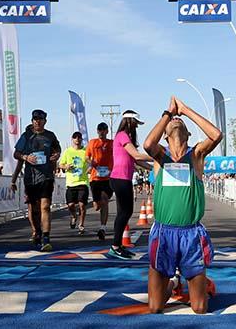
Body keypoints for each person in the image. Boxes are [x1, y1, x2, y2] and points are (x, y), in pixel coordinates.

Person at [143, 96, 221, 314]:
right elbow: (148, 144)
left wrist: (186, 110)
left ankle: (202, 283)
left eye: (182, 123)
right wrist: (167, 114)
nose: (177, 121)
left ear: (187, 134)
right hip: (163, 234)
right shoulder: (160, 156)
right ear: (166, 135)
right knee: (155, 307)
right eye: (172, 122)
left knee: (199, 309)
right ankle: (174, 283)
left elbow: (216, 135)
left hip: (191, 235)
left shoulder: (195, 155)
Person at [108, 110, 153, 260]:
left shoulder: (127, 138)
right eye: (136, 124)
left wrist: (156, 166)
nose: (137, 127)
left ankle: (117, 245)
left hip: (124, 179)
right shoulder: (122, 135)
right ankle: (115, 246)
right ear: (130, 122)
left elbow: (137, 161)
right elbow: (137, 155)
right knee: (125, 212)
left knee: (124, 212)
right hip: (119, 178)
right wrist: (160, 154)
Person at [14, 109, 61, 252]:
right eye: (35, 119)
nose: (37, 121)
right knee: (34, 210)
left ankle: (46, 238)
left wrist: (56, 155)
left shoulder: (50, 136)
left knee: (45, 207)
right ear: (32, 121)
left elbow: (57, 150)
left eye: (40, 119)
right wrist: (26, 157)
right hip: (30, 177)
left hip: (46, 176)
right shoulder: (26, 136)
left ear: (45, 121)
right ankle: (37, 232)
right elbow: (16, 153)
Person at [11, 125, 41, 246]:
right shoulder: (25, 150)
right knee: (31, 207)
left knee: (40, 207)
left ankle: (40, 230)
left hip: (43, 179)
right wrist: (13, 181)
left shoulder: (42, 146)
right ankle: (35, 230)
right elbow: (19, 166)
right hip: (29, 180)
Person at [85, 122, 114, 240]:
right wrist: (90, 162)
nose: (101, 132)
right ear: (97, 131)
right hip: (95, 178)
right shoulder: (92, 142)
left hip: (108, 177)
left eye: (103, 130)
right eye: (99, 130)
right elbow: (87, 157)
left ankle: (103, 228)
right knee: (97, 205)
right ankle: (97, 204)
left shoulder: (112, 143)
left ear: (107, 131)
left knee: (105, 199)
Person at [59, 131, 89, 235]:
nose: (77, 139)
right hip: (71, 183)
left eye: (79, 137)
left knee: (82, 205)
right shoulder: (67, 152)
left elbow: (93, 161)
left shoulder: (86, 151)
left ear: (81, 139)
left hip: (83, 182)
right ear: (72, 139)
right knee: (71, 205)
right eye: (75, 137)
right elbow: (60, 165)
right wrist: (65, 166)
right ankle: (74, 216)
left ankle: (81, 225)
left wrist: (91, 168)